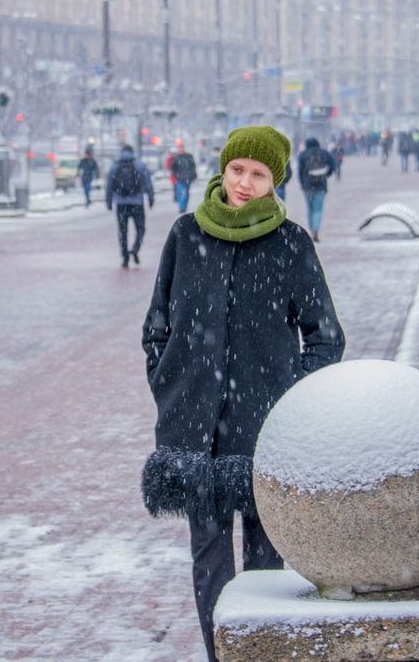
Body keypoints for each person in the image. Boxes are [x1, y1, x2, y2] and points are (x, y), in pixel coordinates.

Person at [141, 125, 345, 662]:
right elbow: (156, 325)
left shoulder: (291, 243)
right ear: (222, 169)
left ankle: (259, 651)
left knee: (265, 562)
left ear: (275, 182)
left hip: (266, 429)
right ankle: (219, 653)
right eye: (238, 170)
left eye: (258, 174)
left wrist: (290, 398)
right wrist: (168, 380)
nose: (245, 183)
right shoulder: (186, 235)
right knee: (207, 557)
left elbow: (326, 336)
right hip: (191, 427)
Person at [105, 144, 154, 268]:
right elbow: (147, 181)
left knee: (122, 231)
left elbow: (109, 184)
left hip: (121, 203)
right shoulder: (140, 165)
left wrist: (109, 200)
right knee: (141, 229)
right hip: (137, 202)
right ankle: (135, 248)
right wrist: (150, 197)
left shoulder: (115, 166)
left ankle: (125, 256)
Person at [297, 136, 337, 242]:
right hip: (321, 185)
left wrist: (302, 183)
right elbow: (333, 164)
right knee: (318, 209)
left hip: (307, 186)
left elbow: (299, 171)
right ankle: (315, 230)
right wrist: (327, 174)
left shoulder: (303, 155)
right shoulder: (324, 153)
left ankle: (311, 229)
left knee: (310, 209)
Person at [169, 141, 198, 214]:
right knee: (181, 193)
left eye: (181, 147)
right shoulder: (176, 158)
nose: (181, 149)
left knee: (186, 193)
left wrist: (193, 174)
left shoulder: (189, 156)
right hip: (179, 178)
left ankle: (184, 206)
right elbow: (173, 168)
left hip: (188, 178)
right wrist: (176, 175)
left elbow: (193, 166)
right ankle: (181, 207)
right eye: (179, 148)